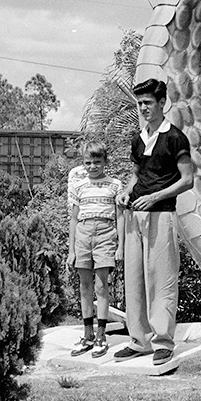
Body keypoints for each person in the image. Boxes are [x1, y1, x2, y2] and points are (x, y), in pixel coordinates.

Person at [112, 79, 192, 366]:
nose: (143, 108)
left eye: (148, 102)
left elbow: (187, 180)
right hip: (135, 216)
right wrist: (126, 192)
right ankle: (138, 340)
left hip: (161, 216)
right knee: (134, 280)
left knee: (161, 281)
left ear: (162, 104)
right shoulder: (139, 138)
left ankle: (162, 342)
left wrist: (155, 197)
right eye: (140, 103)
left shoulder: (175, 138)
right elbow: (136, 175)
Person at [65, 142, 125, 357]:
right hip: (82, 233)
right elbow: (73, 219)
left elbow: (120, 216)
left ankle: (101, 335)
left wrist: (120, 246)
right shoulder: (78, 186)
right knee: (84, 287)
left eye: (97, 162)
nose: (92, 167)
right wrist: (71, 250)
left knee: (101, 286)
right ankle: (87, 334)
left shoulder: (114, 185)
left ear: (105, 162)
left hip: (105, 234)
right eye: (88, 163)